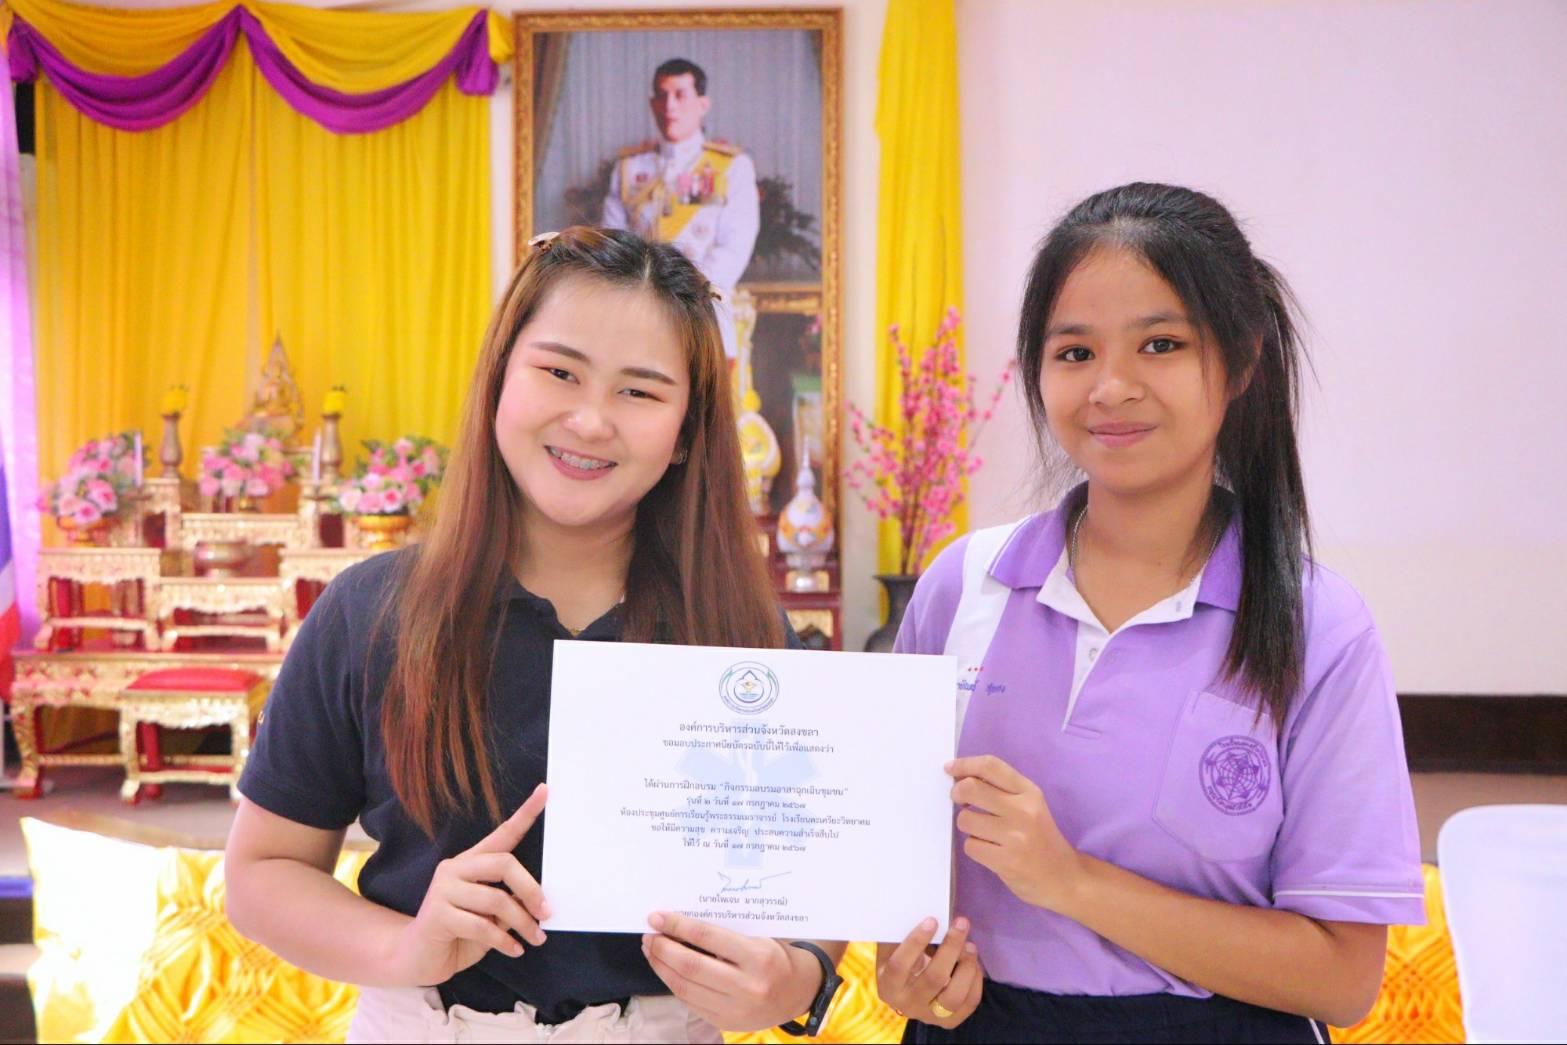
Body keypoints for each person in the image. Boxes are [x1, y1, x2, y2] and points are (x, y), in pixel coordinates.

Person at [224, 227, 843, 1043]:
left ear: (687, 433)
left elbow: (816, 882)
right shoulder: (369, 612)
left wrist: (795, 978)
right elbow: (262, 871)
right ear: (498, 378)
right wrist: (406, 945)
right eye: (559, 371)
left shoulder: (740, 635)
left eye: (639, 391)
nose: (589, 420)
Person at [877, 183, 1425, 1044]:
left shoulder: (1317, 624)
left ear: (1239, 362)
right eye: (1073, 352)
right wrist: (910, 975)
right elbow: (895, 877)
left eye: (1160, 344)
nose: (1111, 387)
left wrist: (1071, 882)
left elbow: (1342, 978)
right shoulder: (961, 585)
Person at [603, 58, 759, 358]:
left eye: (680, 95)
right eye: (662, 96)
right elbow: (613, 245)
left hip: (703, 315)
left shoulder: (731, 167)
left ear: (702, 104)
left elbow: (734, 248)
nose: (670, 106)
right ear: (652, 104)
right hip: (639, 320)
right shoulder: (629, 169)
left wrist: (681, 295)